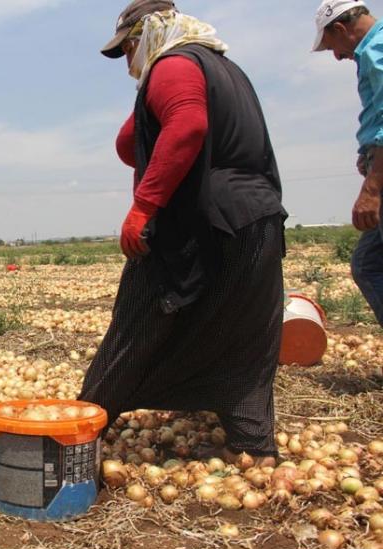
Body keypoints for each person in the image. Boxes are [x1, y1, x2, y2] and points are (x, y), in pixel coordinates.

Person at [80, 0, 286, 466]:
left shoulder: (172, 65)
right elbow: (136, 140)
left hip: (202, 223)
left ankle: (82, 427)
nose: (130, 63)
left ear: (145, 35)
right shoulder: (223, 68)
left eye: (129, 49)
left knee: (138, 322)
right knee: (243, 333)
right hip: (256, 219)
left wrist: (143, 206)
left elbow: (189, 126)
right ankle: (253, 447)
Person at [313, 0, 383, 326]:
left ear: (340, 28)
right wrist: (368, 153)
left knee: (368, 264)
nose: (338, 56)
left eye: (332, 47)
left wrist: (373, 188)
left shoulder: (375, 50)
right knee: (368, 263)